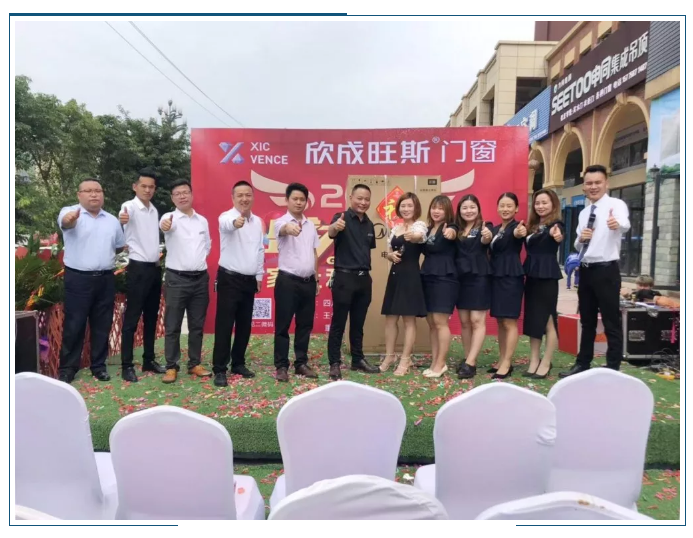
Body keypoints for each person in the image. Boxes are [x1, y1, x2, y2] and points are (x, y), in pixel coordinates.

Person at [561, 164, 630, 377]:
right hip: (586, 270)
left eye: (597, 182)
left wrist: (616, 224)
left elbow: (625, 224)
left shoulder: (615, 205)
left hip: (606, 270)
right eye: (589, 183)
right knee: (587, 320)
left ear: (606, 183)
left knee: (611, 320)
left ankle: (613, 366)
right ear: (584, 186)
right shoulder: (584, 213)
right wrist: (582, 239)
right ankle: (583, 363)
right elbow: (577, 245)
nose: (593, 187)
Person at [57, 179, 125, 384]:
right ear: (79, 195)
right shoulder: (70, 212)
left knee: (102, 324)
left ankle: (98, 366)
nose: (94, 194)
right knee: (74, 324)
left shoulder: (111, 220)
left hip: (105, 278)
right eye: (88, 191)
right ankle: (68, 368)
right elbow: (66, 222)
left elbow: (119, 246)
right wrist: (71, 219)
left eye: (98, 190)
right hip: (78, 279)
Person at [159, 180, 213, 384]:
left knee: (197, 324)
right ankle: (171, 366)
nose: (182, 196)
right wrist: (165, 226)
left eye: (185, 192)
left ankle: (194, 363)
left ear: (191, 194)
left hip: (200, 279)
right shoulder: (169, 218)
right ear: (172, 198)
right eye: (177, 193)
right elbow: (164, 225)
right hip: (176, 279)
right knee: (172, 325)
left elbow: (207, 246)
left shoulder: (202, 221)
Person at [213, 180, 265, 386]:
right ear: (233, 198)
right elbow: (227, 224)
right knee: (225, 325)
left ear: (253, 197)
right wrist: (236, 223)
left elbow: (259, 250)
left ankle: (238, 363)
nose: (244, 199)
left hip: (249, 280)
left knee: (244, 325)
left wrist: (259, 276)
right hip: (229, 279)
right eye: (240, 195)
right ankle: (219, 368)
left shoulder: (257, 222)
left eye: (248, 195)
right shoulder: (226, 217)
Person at [327, 184, 380, 380]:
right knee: (338, 323)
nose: (363, 202)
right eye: (359, 198)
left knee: (358, 323)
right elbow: (331, 232)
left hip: (364, 279)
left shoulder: (369, 224)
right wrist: (335, 227)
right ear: (351, 198)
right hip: (344, 278)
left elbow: (367, 249)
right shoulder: (340, 218)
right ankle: (334, 363)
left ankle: (358, 359)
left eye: (367, 199)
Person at [118, 168, 165, 383]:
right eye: (143, 186)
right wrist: (122, 219)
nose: (147, 190)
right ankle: (127, 365)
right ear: (135, 187)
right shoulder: (129, 206)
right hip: (137, 268)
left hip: (154, 269)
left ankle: (149, 359)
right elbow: (123, 217)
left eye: (151, 187)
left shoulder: (154, 210)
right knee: (132, 318)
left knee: (152, 317)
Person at [273, 183, 320, 382]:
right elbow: (283, 230)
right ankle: (281, 366)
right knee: (283, 325)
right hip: (287, 281)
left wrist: (316, 278)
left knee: (305, 324)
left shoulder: (310, 226)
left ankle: (301, 363)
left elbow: (314, 252)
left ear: (306, 202)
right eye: (295, 199)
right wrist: (289, 228)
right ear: (287, 200)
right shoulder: (280, 222)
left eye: (302, 199)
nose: (299, 202)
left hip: (308, 282)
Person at [380, 193, 428, 376]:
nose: (406, 209)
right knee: (390, 318)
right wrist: (389, 255)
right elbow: (386, 252)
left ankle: (405, 359)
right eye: (403, 206)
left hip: (411, 276)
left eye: (410, 206)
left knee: (409, 320)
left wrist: (413, 236)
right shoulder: (395, 227)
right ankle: (389, 356)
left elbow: (419, 237)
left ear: (416, 208)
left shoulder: (419, 225)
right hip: (394, 275)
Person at [522, 189, 565, 379]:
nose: (540, 206)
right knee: (534, 319)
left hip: (547, 275)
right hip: (531, 275)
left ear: (553, 204)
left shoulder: (556, 225)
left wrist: (558, 236)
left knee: (548, 319)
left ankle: (546, 361)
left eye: (544, 202)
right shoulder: (532, 225)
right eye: (537, 203)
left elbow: (559, 235)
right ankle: (534, 360)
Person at [454, 194, 493, 380]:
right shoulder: (456, 229)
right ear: (459, 211)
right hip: (460, 277)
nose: (468, 211)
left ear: (478, 209)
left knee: (477, 320)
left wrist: (487, 237)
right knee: (464, 321)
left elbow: (487, 239)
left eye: (472, 207)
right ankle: (469, 358)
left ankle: (470, 363)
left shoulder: (486, 226)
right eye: (465, 208)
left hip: (479, 276)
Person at [420, 195, 458, 378]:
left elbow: (453, 233)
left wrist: (451, 232)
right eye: (434, 207)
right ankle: (435, 361)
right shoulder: (427, 229)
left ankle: (441, 363)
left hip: (445, 277)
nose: (436, 211)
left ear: (447, 211)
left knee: (440, 321)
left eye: (441, 208)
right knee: (431, 322)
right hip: (427, 275)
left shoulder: (451, 227)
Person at [488, 192, 525, 379]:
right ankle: (501, 359)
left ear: (516, 208)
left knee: (509, 321)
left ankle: (507, 362)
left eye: (509, 206)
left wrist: (519, 232)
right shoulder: (495, 230)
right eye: (502, 205)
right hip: (495, 276)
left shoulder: (517, 227)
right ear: (497, 208)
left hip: (511, 276)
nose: (505, 209)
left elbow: (519, 234)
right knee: (500, 321)